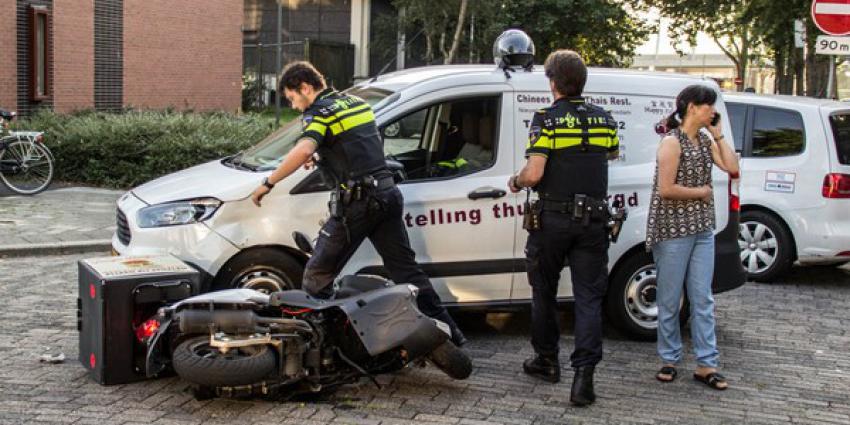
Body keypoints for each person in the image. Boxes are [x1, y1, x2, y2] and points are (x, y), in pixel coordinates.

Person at [251, 61, 466, 347]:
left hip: (357, 204)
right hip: (387, 196)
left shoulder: (319, 112)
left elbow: (303, 147)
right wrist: (323, 156)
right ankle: (451, 335)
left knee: (317, 275)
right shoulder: (356, 104)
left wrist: (268, 183)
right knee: (407, 271)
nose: (294, 106)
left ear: (305, 88)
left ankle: (322, 352)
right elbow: (358, 144)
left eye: (292, 98)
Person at [508, 49, 619, 406]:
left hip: (553, 220)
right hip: (594, 221)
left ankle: (546, 361)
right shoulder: (605, 120)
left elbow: (535, 172)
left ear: (553, 82)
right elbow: (611, 155)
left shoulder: (547, 119)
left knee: (544, 291)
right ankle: (584, 379)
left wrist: (516, 180)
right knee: (588, 298)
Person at [646, 85, 739, 390]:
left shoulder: (704, 140)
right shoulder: (672, 143)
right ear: (691, 108)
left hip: (701, 228)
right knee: (670, 298)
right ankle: (669, 359)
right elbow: (666, 188)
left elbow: (732, 167)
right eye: (707, 106)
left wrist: (719, 135)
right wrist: (701, 192)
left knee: (703, 298)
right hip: (672, 230)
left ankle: (706, 363)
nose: (712, 111)